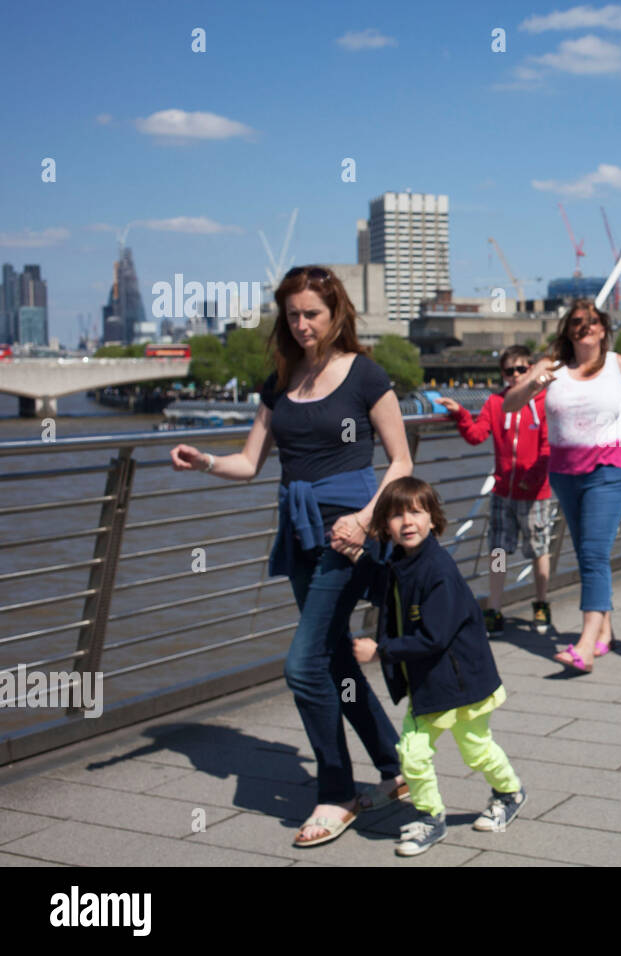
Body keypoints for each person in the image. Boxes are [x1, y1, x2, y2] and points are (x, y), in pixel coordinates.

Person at [169, 265, 410, 848]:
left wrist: (363, 520)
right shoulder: (280, 382)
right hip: (300, 533)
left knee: (302, 666)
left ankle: (336, 792)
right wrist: (203, 460)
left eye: (313, 314)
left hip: (352, 535)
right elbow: (251, 463)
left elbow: (401, 462)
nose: (302, 325)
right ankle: (396, 766)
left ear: (337, 315)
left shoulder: (364, 374)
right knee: (333, 659)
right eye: (293, 314)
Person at [345, 477, 525, 856]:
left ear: (433, 518)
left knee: (476, 750)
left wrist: (380, 651)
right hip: (432, 684)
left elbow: (434, 638)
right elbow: (387, 589)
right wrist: (358, 557)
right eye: (396, 515)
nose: (406, 522)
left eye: (416, 512)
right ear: (384, 527)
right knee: (412, 751)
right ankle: (431, 816)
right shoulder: (402, 560)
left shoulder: (439, 571)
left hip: (462, 683)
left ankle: (509, 792)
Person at [504, 299, 621, 674]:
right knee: (588, 553)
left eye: (592, 321)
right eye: (577, 322)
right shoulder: (551, 367)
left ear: (604, 328)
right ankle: (605, 630)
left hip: (608, 471)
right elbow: (510, 404)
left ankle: (586, 645)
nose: (585, 327)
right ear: (567, 330)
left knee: (592, 555)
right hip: (564, 473)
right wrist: (532, 386)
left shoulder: (619, 366)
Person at [441, 345, 556, 634]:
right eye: (509, 371)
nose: (515, 375)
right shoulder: (495, 403)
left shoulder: (544, 404)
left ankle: (541, 602)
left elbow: (548, 446)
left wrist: (534, 477)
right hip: (503, 492)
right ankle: (494, 608)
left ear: (532, 370)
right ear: (503, 374)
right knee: (498, 551)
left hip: (535, 493)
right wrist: (460, 414)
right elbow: (477, 436)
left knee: (538, 550)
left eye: (521, 369)